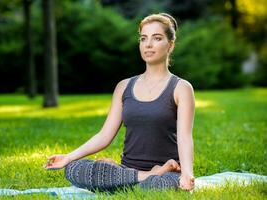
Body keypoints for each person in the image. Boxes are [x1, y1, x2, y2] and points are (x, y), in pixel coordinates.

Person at [45, 13, 195, 192]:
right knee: (74, 170)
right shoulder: (124, 87)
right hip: (127, 170)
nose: (148, 44)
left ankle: (139, 179)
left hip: (168, 172)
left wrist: (187, 173)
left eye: (157, 38)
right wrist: (68, 157)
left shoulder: (181, 88)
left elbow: (185, 138)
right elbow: (104, 136)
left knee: (159, 185)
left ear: (170, 45)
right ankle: (143, 176)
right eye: (143, 38)